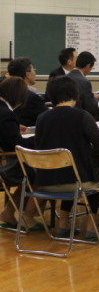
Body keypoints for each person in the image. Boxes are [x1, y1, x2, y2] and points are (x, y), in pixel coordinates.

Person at [34, 75, 99, 240]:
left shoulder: (41, 118)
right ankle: (91, 229)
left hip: (46, 183)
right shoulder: (82, 116)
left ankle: (63, 223)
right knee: (94, 183)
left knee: (72, 172)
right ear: (75, 94)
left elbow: (38, 146)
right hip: (77, 183)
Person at [0, 77, 38, 230]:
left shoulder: (3, 111)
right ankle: (28, 215)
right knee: (38, 174)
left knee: (32, 174)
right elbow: (18, 144)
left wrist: (15, 127)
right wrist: (38, 138)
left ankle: (9, 212)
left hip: (4, 157)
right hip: (8, 162)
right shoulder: (6, 114)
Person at [7, 57, 48, 126]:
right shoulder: (32, 98)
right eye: (33, 70)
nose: (35, 72)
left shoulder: (6, 93)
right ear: (28, 74)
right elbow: (47, 119)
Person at [67, 51, 99, 118]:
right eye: (91, 68)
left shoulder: (64, 77)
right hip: (79, 119)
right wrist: (96, 98)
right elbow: (90, 107)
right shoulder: (84, 82)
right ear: (88, 66)